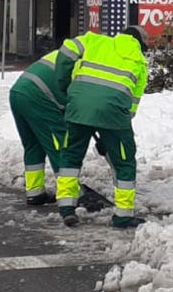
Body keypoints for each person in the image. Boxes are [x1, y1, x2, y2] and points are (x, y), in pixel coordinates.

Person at [54, 25, 149, 229]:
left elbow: (65, 53)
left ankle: (66, 207)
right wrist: (112, 138)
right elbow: (130, 108)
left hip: (78, 107)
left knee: (70, 155)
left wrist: (64, 86)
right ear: (141, 45)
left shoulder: (94, 41)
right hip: (114, 116)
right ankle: (122, 215)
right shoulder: (140, 63)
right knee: (125, 162)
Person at [9, 50, 69, 205]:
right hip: (38, 95)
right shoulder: (88, 65)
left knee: (33, 144)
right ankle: (69, 193)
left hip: (18, 91)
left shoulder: (66, 53)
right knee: (60, 144)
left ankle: (35, 192)